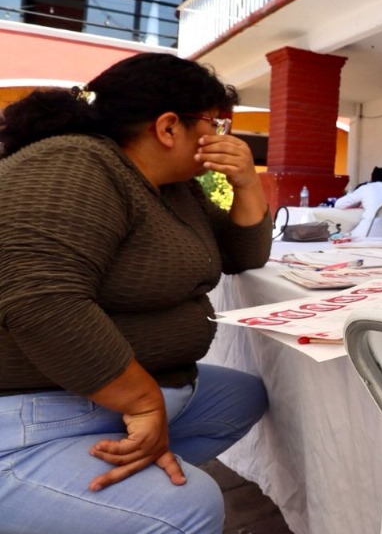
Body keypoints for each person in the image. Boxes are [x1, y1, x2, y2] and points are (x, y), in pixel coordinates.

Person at [0, 52, 272, 534]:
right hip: (33, 408)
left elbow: (240, 255)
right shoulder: (73, 163)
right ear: (169, 127)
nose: (221, 135)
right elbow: (38, 299)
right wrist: (143, 403)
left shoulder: (173, 189)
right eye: (215, 122)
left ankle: (104, 487)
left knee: (243, 396)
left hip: (116, 395)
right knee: (190, 507)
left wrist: (247, 185)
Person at [334, 164, 382, 238]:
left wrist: (358, 204)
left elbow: (338, 204)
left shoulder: (365, 188)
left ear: (372, 178)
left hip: (367, 233)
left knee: (341, 235)